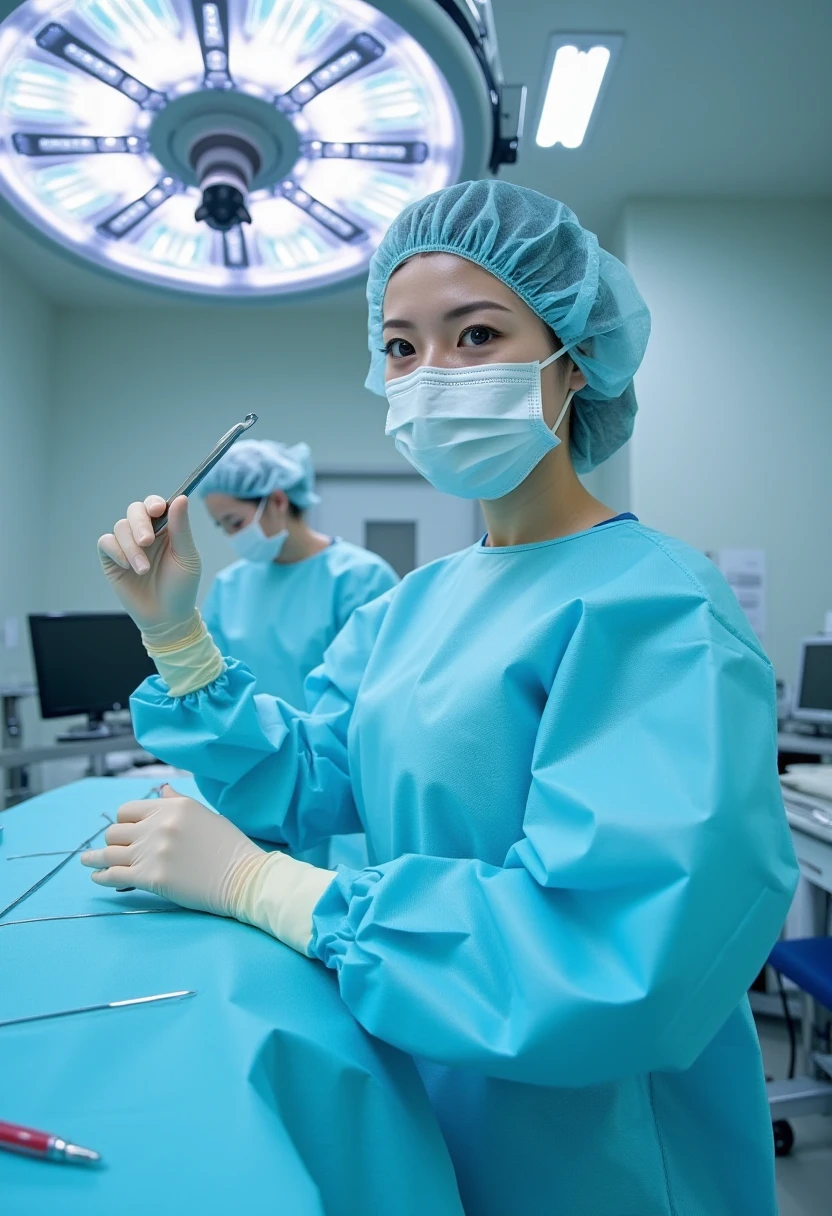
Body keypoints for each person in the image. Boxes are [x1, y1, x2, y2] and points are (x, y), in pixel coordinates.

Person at [87, 180, 797, 1216]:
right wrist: (176, 632)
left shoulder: (656, 606)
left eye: (475, 335)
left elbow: (620, 954)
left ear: (573, 356)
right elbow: (314, 777)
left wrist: (272, 890)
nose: (430, 376)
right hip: (427, 1071)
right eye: (403, 348)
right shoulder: (415, 603)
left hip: (601, 1150)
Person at [198, 438, 398, 709]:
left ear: (278, 501)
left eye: (235, 522)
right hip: (253, 747)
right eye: (222, 526)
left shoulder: (360, 578)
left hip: (336, 749)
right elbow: (217, 688)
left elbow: (377, 690)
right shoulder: (228, 586)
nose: (232, 536)